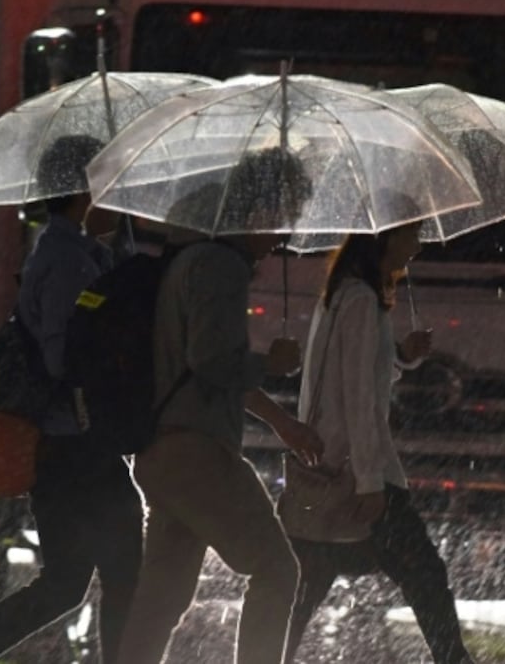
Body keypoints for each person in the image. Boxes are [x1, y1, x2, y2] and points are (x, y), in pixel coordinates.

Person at [0, 135, 144, 664]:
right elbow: (65, 357)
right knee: (123, 574)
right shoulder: (65, 261)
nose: (117, 192)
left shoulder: (81, 252)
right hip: (73, 445)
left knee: (68, 583)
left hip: (70, 446)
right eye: (109, 181)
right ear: (84, 189)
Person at [113, 148, 325, 664]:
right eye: (286, 215)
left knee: (162, 599)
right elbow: (212, 363)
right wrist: (269, 364)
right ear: (259, 207)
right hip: (198, 453)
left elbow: (203, 365)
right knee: (277, 570)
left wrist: (281, 424)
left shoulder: (188, 257)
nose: (286, 234)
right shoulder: (220, 266)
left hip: (165, 450)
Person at [283, 220, 476, 664]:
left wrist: (402, 356)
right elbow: (359, 397)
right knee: (424, 574)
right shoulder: (362, 301)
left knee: (304, 587)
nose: (418, 245)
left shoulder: (347, 296)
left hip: (331, 464)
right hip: (354, 468)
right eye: (412, 234)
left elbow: (358, 374)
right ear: (385, 238)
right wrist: (370, 480)